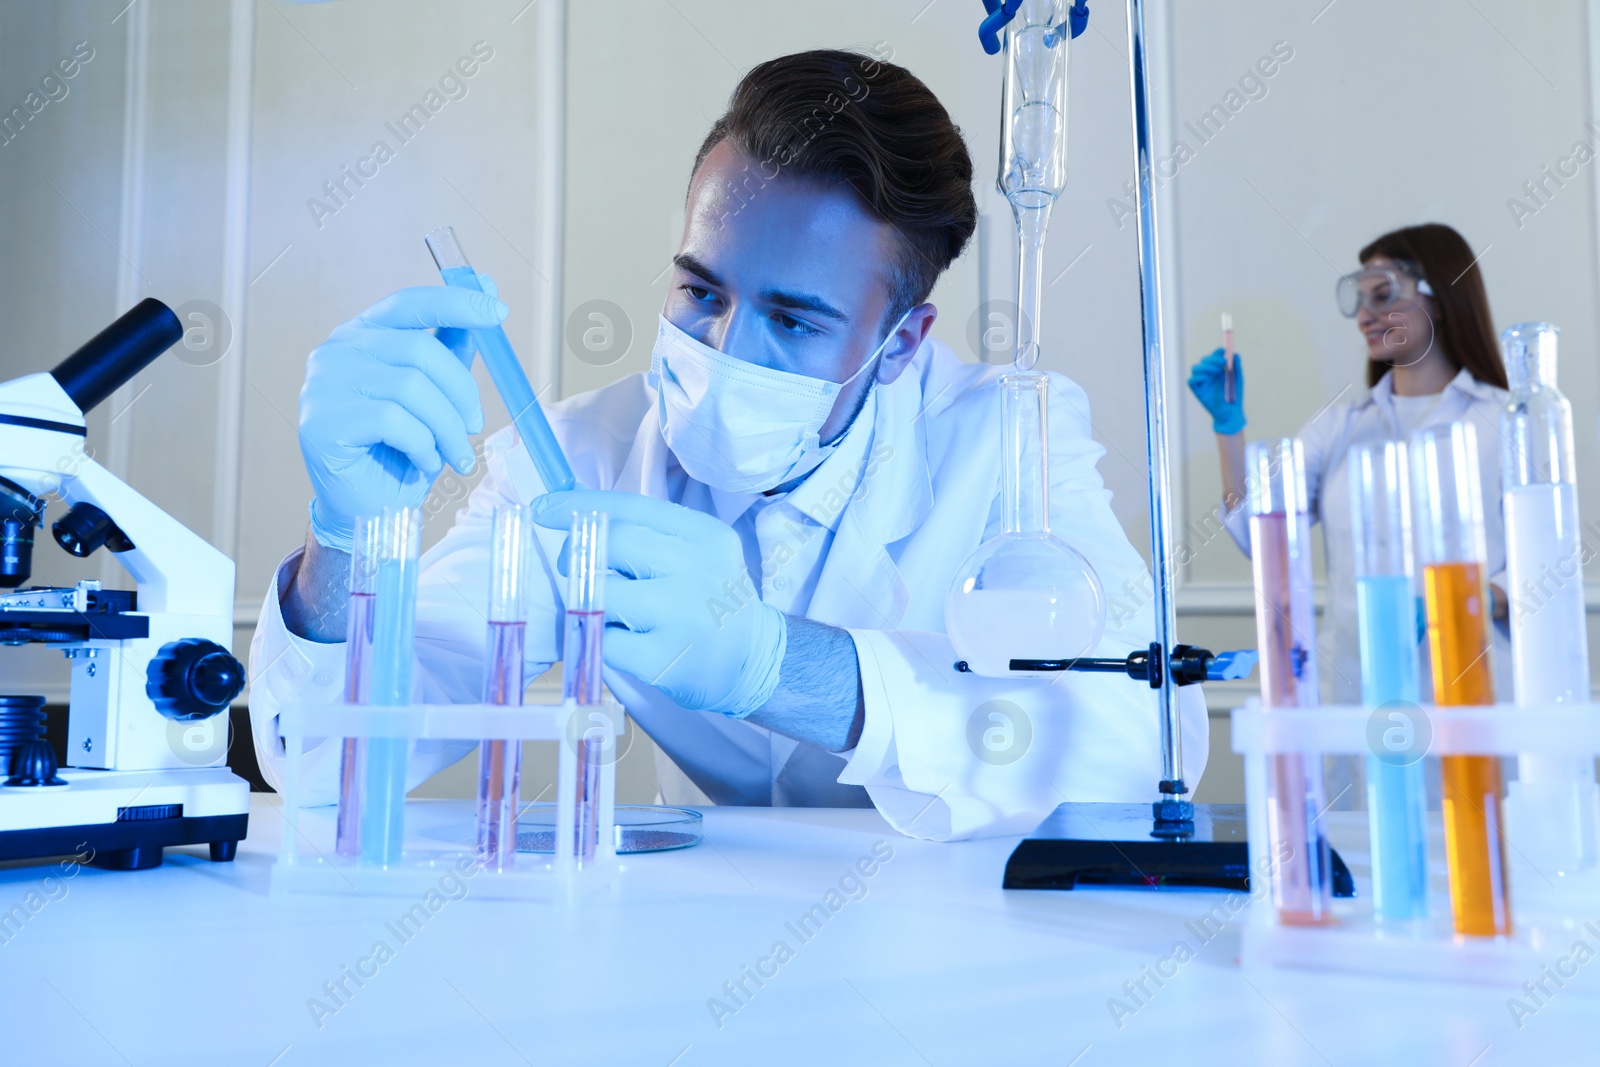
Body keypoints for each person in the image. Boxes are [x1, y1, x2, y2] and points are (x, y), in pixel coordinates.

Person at [250, 49, 1207, 841]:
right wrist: (340, 542)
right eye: (702, 292)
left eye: (793, 321)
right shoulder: (578, 457)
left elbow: (1145, 740)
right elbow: (330, 765)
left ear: (901, 343)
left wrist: (775, 664)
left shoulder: (1004, 441)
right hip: (699, 942)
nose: (721, 350)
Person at [1187, 222, 1510, 703]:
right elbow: (1262, 533)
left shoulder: (1506, 421)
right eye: (1358, 300)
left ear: (1439, 298)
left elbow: (1546, 564)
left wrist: (1466, 600)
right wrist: (1229, 432)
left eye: (1382, 295)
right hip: (1359, 692)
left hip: (1472, 686)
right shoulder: (1340, 428)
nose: (1365, 315)